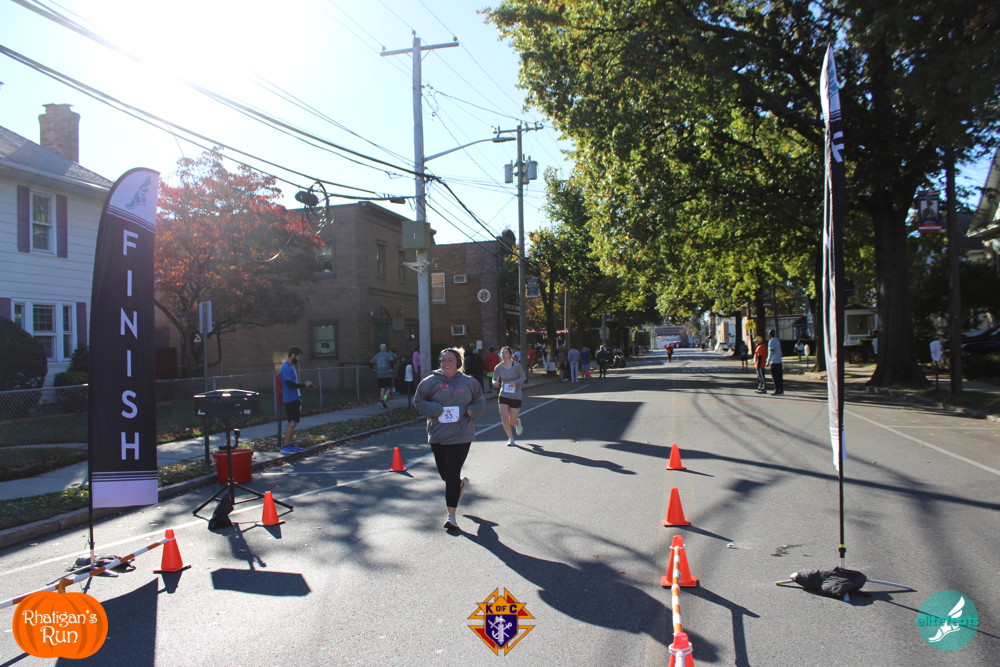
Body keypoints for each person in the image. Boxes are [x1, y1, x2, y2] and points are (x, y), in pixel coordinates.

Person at [414, 348, 485, 531]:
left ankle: (451, 517)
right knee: (446, 475)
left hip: (462, 434)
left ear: (458, 362)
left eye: (450, 360)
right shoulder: (430, 382)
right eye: (443, 360)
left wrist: (472, 410)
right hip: (438, 434)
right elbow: (419, 401)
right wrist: (435, 409)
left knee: (451, 473)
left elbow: (480, 400)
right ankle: (459, 485)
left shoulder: (469, 382)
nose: (446, 363)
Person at [279, 346, 313, 454]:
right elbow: (290, 384)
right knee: (292, 422)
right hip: (290, 398)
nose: (299, 359)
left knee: (293, 422)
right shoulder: (286, 368)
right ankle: (285, 446)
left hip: (294, 398)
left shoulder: (291, 367)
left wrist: (298, 398)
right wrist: (304, 385)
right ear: (293, 355)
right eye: (298, 357)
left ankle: (290, 444)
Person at [492, 346, 527, 446]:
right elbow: (494, 378)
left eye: (506, 353)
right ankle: (511, 438)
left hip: (516, 395)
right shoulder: (498, 367)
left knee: (512, 420)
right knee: (504, 418)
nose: (503, 354)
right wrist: (494, 382)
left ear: (510, 355)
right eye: (502, 353)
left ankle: (517, 423)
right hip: (503, 394)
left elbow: (523, 377)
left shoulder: (516, 366)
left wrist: (515, 382)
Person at [369, 343, 396, 408]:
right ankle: (385, 398)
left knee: (382, 388)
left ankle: (382, 399)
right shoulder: (388, 354)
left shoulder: (377, 356)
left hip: (379, 374)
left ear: (380, 349)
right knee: (388, 388)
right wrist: (391, 368)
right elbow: (391, 361)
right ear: (385, 348)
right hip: (387, 374)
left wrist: (373, 369)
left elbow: (370, 362)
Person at [766, 329, 784, 395]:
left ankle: (777, 390)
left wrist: (768, 361)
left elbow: (771, 351)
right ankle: (781, 389)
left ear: (770, 335)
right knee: (779, 377)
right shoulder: (777, 340)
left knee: (775, 377)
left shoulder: (771, 341)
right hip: (779, 361)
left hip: (774, 361)